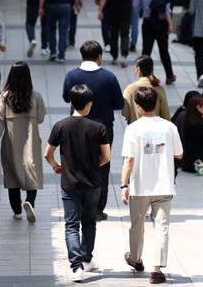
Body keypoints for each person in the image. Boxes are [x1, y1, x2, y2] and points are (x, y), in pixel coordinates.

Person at [45, 84, 111, 282]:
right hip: (92, 183)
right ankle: (86, 258)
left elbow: (47, 153)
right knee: (89, 223)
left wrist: (56, 166)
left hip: (70, 184)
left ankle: (76, 267)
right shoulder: (98, 127)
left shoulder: (61, 125)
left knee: (71, 225)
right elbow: (106, 157)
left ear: (71, 102)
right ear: (89, 104)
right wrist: (93, 165)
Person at [120, 86, 183, 284]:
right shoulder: (169, 127)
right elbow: (179, 154)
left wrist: (124, 185)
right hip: (164, 185)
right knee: (162, 226)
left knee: (137, 226)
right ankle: (156, 270)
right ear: (156, 103)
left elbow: (128, 160)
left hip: (140, 186)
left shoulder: (133, 129)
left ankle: (136, 259)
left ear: (138, 107)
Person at [62, 41, 124, 221]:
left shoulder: (72, 75)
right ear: (99, 57)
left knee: (77, 164)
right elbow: (119, 104)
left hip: (75, 127)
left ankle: (78, 206)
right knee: (102, 166)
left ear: (82, 56)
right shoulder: (109, 77)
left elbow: (67, 97)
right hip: (103, 129)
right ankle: (97, 209)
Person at [0, 62, 46, 222]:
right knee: (32, 173)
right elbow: (40, 118)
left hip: (11, 143)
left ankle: (17, 210)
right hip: (31, 142)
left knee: (12, 175)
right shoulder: (36, 96)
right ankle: (30, 201)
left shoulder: (4, 97)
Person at [133, 0, 176, 84]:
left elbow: (136, 5)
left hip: (147, 22)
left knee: (146, 51)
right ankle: (169, 76)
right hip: (161, 23)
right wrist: (170, 25)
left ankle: (143, 76)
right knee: (164, 51)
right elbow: (167, 9)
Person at [122, 56, 171, 124]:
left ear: (138, 69)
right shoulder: (159, 89)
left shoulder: (129, 89)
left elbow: (125, 113)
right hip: (155, 131)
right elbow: (166, 115)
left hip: (136, 130)